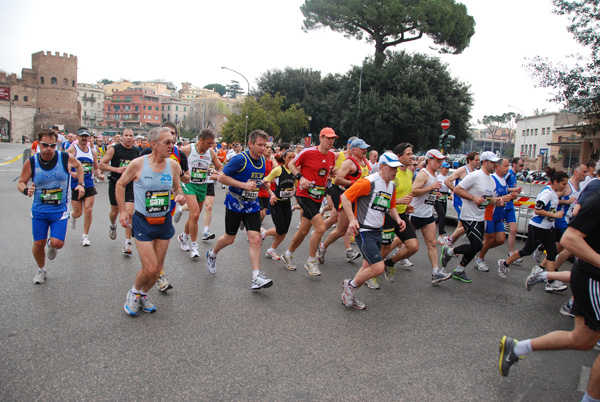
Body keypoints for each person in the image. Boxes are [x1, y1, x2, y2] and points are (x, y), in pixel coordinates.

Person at [498, 188, 600, 402]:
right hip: (594, 279)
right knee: (528, 251)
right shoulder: (597, 199)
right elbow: (571, 238)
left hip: (586, 275)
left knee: (582, 340)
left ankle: (517, 348)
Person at [119, 127, 186, 316]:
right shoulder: (138, 164)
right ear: (153, 144)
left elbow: (177, 188)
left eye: (173, 142)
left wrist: (179, 196)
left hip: (164, 221)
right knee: (149, 267)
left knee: (157, 271)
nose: (171, 146)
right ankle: (133, 293)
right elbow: (120, 184)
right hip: (143, 221)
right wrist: (123, 211)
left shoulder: (173, 166)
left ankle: (143, 294)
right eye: (167, 142)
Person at [206, 130, 273, 290]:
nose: (262, 148)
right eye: (259, 145)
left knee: (255, 239)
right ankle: (212, 254)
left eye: (265, 145)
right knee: (229, 239)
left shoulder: (263, 161)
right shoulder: (240, 159)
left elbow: (255, 179)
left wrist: (263, 184)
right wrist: (243, 185)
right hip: (235, 204)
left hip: (252, 205)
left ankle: (256, 277)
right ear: (250, 144)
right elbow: (222, 177)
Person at [17, 129, 85, 284]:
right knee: (38, 243)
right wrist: (26, 190)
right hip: (39, 209)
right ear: (39, 144)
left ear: (57, 145)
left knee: (57, 243)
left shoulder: (65, 158)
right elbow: (21, 182)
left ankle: (51, 244)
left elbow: (79, 166)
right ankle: (41, 269)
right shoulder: (32, 162)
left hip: (59, 209)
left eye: (52, 145)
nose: (48, 148)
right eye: (45, 145)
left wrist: (80, 184)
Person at [341, 152, 406, 309]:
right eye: (392, 168)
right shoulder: (368, 182)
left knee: (366, 267)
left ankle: (349, 295)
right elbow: (345, 197)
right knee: (378, 267)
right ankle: (350, 286)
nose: (395, 171)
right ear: (382, 166)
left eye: (397, 168)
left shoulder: (391, 185)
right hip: (364, 231)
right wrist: (352, 219)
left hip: (378, 231)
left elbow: (391, 207)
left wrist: (398, 219)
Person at [440, 152, 505, 283]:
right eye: (493, 162)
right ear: (485, 162)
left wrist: (496, 201)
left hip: (480, 216)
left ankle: (459, 270)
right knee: (477, 245)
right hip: (468, 215)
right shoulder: (474, 176)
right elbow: (458, 189)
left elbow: (487, 198)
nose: (495, 165)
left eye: (496, 162)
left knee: (476, 246)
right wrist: (472, 198)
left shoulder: (491, 180)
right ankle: (449, 252)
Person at [280, 128, 338, 274]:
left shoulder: (332, 155)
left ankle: (287, 254)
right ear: (321, 137)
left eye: (333, 138)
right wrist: (301, 178)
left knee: (304, 230)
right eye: (328, 138)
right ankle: (311, 261)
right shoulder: (308, 152)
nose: (331, 141)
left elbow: (327, 171)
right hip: (304, 194)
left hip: (318, 196)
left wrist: (332, 173)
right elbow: (292, 164)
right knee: (320, 228)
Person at [497, 168, 569, 281]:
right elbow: (537, 210)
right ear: (556, 182)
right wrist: (554, 215)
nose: (565, 186)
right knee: (527, 250)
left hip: (548, 227)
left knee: (552, 253)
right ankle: (505, 263)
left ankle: (550, 282)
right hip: (538, 227)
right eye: (563, 184)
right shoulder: (547, 193)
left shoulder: (553, 193)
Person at [317, 138, 371, 269]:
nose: (365, 150)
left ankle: (366, 259)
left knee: (366, 228)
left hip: (362, 200)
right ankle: (323, 247)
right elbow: (338, 180)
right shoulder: (349, 162)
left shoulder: (365, 162)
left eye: (366, 148)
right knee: (341, 230)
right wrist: (355, 184)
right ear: (354, 150)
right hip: (349, 199)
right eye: (362, 148)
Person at [176, 129, 223, 258]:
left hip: (202, 185)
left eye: (213, 143)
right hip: (189, 184)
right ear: (201, 140)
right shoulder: (188, 149)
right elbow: (174, 159)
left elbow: (220, 166)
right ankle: (194, 246)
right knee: (195, 214)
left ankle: (183, 236)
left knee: (193, 216)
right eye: (209, 143)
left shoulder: (211, 152)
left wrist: (217, 174)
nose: (211, 145)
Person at [410, 149, 452, 284]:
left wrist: (434, 193)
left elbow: (427, 192)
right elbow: (413, 191)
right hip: (415, 214)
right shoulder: (423, 174)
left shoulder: (435, 175)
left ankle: (435, 272)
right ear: (429, 160)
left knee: (432, 243)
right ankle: (385, 260)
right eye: (438, 161)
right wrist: (430, 188)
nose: (441, 163)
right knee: (400, 241)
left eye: (442, 161)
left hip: (427, 215)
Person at [380, 143, 420, 279]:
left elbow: (404, 194)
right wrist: (399, 201)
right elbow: (381, 197)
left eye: (411, 154)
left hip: (402, 215)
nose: (411, 157)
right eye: (408, 154)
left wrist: (406, 205)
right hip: (388, 214)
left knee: (413, 246)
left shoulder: (410, 173)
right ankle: (372, 273)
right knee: (384, 248)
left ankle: (390, 263)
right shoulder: (392, 174)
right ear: (399, 157)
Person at [472, 158, 518, 272]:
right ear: (497, 166)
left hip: (499, 214)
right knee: (489, 239)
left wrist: (511, 197)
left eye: (508, 167)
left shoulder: (504, 181)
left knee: (501, 240)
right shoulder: (492, 179)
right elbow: (487, 198)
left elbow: (503, 198)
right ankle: (480, 259)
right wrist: (503, 198)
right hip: (489, 213)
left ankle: (481, 250)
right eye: (505, 166)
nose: (507, 169)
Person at [99, 128, 140, 254]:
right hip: (116, 183)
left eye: (131, 135)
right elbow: (101, 165)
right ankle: (113, 225)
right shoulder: (114, 149)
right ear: (121, 137)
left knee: (129, 212)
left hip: (130, 184)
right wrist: (116, 169)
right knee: (114, 211)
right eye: (126, 135)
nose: (128, 137)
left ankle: (128, 243)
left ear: (133, 138)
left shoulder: (136, 151)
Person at [67, 127, 105, 246]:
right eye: (81, 136)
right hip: (75, 185)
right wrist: (72, 173)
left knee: (88, 210)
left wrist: (99, 174)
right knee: (78, 212)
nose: (84, 139)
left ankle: (85, 236)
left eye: (86, 136)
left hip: (88, 183)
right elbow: (65, 166)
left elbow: (96, 167)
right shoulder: (72, 150)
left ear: (89, 138)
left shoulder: (92, 151)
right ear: (77, 137)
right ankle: (72, 216)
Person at [262, 149, 296, 260]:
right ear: (284, 158)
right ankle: (264, 232)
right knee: (280, 229)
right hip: (276, 202)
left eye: (293, 157)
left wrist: (294, 189)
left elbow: (295, 185)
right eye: (289, 157)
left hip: (287, 203)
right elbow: (265, 181)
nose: (291, 160)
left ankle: (271, 250)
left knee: (284, 230)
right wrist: (271, 194)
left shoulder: (295, 172)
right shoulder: (278, 170)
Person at [443, 151, 481, 247]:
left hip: (468, 202)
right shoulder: (463, 170)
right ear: (470, 160)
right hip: (460, 201)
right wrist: (455, 190)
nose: (478, 162)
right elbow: (447, 180)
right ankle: (449, 241)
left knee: (461, 225)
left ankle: (449, 245)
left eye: (479, 160)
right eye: (476, 160)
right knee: (465, 224)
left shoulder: (476, 172)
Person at [504, 157, 524, 261]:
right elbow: (501, 186)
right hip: (503, 205)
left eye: (523, 165)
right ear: (514, 164)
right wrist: (513, 190)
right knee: (493, 235)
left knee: (513, 229)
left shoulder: (515, 176)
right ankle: (480, 254)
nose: (522, 167)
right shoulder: (508, 173)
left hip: (510, 205)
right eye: (521, 165)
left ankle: (511, 254)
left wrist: (516, 192)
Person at [435, 161, 451, 245]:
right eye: (446, 168)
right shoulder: (437, 177)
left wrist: (451, 194)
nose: (447, 170)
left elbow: (451, 187)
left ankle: (429, 223)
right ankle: (440, 236)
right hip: (437, 198)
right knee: (442, 216)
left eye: (448, 168)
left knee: (440, 217)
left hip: (444, 198)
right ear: (441, 168)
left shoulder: (448, 178)